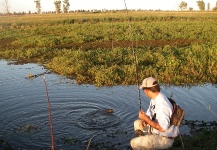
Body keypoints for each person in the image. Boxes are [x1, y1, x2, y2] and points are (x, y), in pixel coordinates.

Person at [130, 77, 179, 150]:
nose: (144, 91)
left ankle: (148, 144)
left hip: (165, 139)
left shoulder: (162, 104)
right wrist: (145, 120)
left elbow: (163, 128)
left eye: (143, 89)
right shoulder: (155, 98)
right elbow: (150, 115)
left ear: (147, 90)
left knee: (133, 143)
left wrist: (145, 118)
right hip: (157, 131)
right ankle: (146, 142)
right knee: (137, 123)